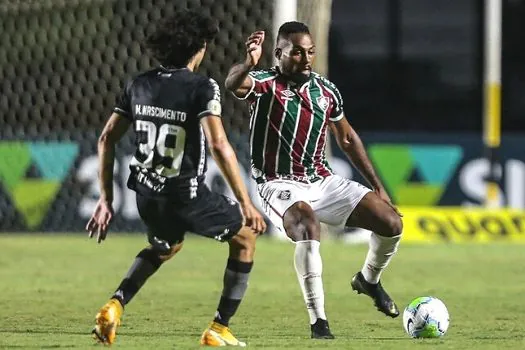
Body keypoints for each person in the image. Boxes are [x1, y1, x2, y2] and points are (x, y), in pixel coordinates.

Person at [86, 10, 266, 347]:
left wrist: (106, 199)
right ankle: (219, 328)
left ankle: (115, 304)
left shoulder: (138, 83)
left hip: (146, 195)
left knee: (166, 245)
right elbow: (218, 144)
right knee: (244, 238)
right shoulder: (201, 87)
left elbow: (106, 139)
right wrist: (246, 203)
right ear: (199, 48)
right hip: (185, 195)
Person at [225, 21, 403, 339]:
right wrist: (248, 64)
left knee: (391, 223)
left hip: (322, 180)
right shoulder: (264, 83)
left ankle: (369, 281)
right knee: (307, 228)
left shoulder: (326, 90)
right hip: (277, 182)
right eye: (296, 52)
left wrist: (377, 185)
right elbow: (233, 85)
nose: (305, 58)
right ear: (278, 53)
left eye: (310, 52)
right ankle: (319, 323)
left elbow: (346, 138)